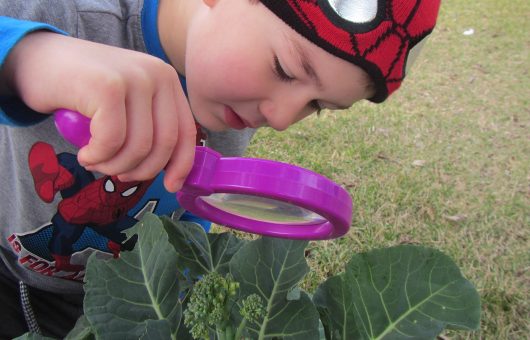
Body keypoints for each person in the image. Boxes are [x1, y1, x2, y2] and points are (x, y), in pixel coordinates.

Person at [0, 0, 441, 337]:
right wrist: (30, 58)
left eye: (317, 105)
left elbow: (190, 210)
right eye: (284, 69)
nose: (284, 117)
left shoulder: (231, 104)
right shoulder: (73, 16)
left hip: (128, 298)